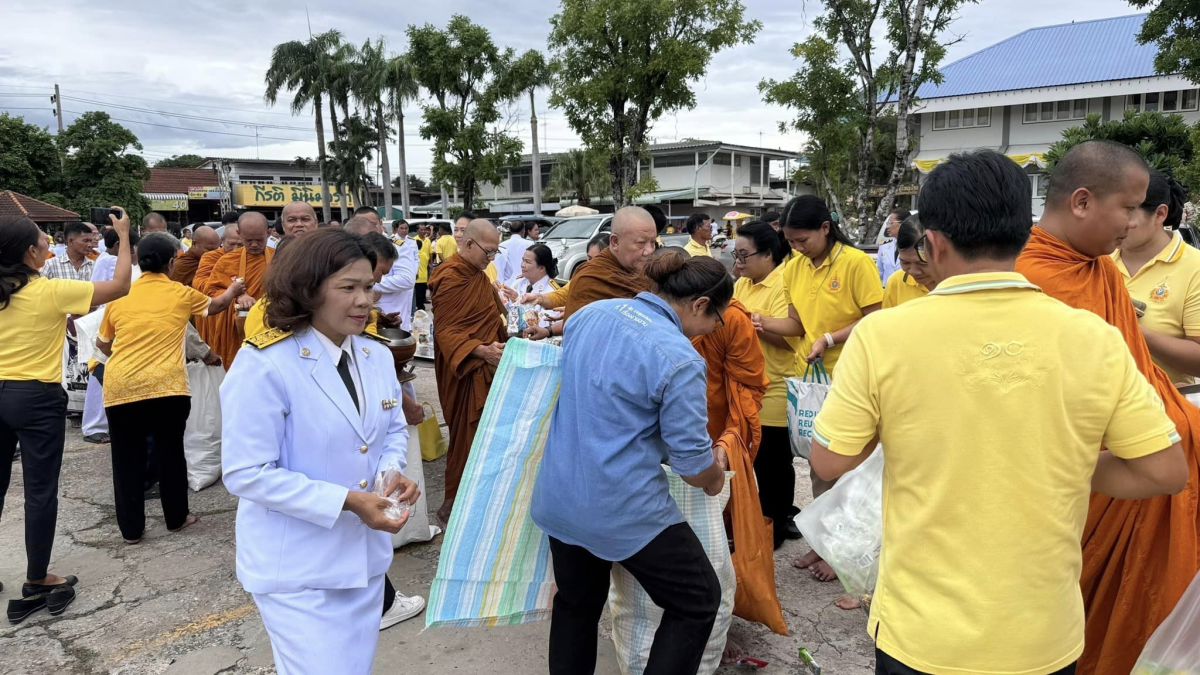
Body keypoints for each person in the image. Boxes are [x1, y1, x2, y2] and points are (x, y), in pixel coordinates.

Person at [812, 148, 1188, 675]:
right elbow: (1165, 470)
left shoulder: (882, 337)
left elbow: (829, 462)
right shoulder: (1092, 338)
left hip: (922, 633)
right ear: (1022, 233)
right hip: (1042, 634)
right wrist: (1066, 462)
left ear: (933, 245)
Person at [1016, 140, 1200, 675]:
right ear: (1080, 202)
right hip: (1084, 475)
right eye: (1127, 207)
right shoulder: (1032, 276)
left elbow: (1134, 375)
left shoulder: (1100, 270)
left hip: (1139, 460)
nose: (1132, 222)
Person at [220, 229, 420, 675]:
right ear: (307, 289)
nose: (364, 300)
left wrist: (392, 472)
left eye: (368, 286)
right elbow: (246, 472)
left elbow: (390, 430)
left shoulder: (374, 355)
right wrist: (347, 501)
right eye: (347, 288)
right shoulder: (266, 363)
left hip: (363, 562)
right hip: (298, 569)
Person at [532, 249, 729, 675]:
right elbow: (693, 466)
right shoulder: (680, 358)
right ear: (699, 305)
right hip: (620, 506)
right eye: (717, 319)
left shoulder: (593, 314)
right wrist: (715, 476)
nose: (713, 329)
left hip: (561, 494)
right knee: (698, 600)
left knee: (576, 603)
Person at [0, 209, 132, 622]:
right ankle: (37, 578)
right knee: (40, 492)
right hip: (34, 396)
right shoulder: (51, 290)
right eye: (43, 241)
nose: (48, 246)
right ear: (29, 252)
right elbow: (121, 285)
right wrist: (124, 236)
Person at [753, 194, 883, 581]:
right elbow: (795, 325)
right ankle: (823, 544)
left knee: (849, 469)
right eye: (790, 242)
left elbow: (874, 320)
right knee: (818, 468)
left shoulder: (855, 263)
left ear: (826, 228)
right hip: (810, 384)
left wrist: (829, 338)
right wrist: (755, 321)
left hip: (851, 379)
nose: (795, 248)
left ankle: (844, 551)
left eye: (802, 240)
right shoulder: (794, 269)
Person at [97, 233, 243, 544]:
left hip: (121, 386)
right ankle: (177, 518)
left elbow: (102, 344)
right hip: (167, 387)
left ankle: (132, 531)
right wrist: (234, 289)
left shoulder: (120, 297)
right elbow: (216, 306)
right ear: (172, 262)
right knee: (170, 453)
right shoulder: (180, 293)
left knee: (125, 459)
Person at [429, 219, 506, 527]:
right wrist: (481, 350)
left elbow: (493, 315)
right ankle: (453, 504)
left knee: (487, 437)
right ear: (469, 244)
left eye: (495, 253)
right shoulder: (450, 276)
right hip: (464, 369)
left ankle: (482, 500)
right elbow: (446, 331)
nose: (490, 258)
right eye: (488, 251)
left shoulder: (477, 275)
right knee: (465, 436)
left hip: (486, 367)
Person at [733, 221, 800, 548]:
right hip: (746, 386)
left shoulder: (784, 283)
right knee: (752, 459)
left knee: (775, 460)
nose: (739, 262)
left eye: (745, 255)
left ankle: (778, 521)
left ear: (769, 254)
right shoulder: (742, 285)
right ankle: (764, 515)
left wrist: (756, 325)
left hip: (776, 385)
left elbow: (793, 341)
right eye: (736, 255)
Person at [1113, 171, 1200, 383]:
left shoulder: (1194, 267)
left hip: (1165, 407)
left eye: (1128, 213)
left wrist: (1130, 329)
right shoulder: (1097, 259)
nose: (1115, 223)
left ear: (1160, 214)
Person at [82, 228, 144, 445]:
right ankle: (94, 426)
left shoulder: (130, 265)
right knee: (100, 371)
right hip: (107, 322)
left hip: (125, 324)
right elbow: (97, 295)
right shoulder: (107, 261)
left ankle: (105, 423)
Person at [201, 213, 274, 369]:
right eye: (248, 240)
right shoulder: (227, 261)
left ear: (268, 233)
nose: (254, 244)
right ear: (240, 234)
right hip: (235, 329)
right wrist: (235, 296)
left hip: (270, 326)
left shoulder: (279, 258)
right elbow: (210, 292)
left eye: (259, 240)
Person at [563, 206, 656, 320]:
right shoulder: (589, 279)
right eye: (641, 243)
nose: (649, 251)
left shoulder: (652, 271)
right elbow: (580, 330)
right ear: (615, 242)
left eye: (653, 242)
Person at [881, 216, 935, 308]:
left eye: (922, 263)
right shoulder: (896, 282)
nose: (913, 271)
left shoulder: (958, 282)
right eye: (905, 263)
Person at [876, 209, 910, 286]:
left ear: (903, 223)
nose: (887, 227)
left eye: (890, 223)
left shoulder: (915, 246)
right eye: (887, 223)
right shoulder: (884, 247)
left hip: (907, 291)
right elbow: (880, 273)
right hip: (888, 292)